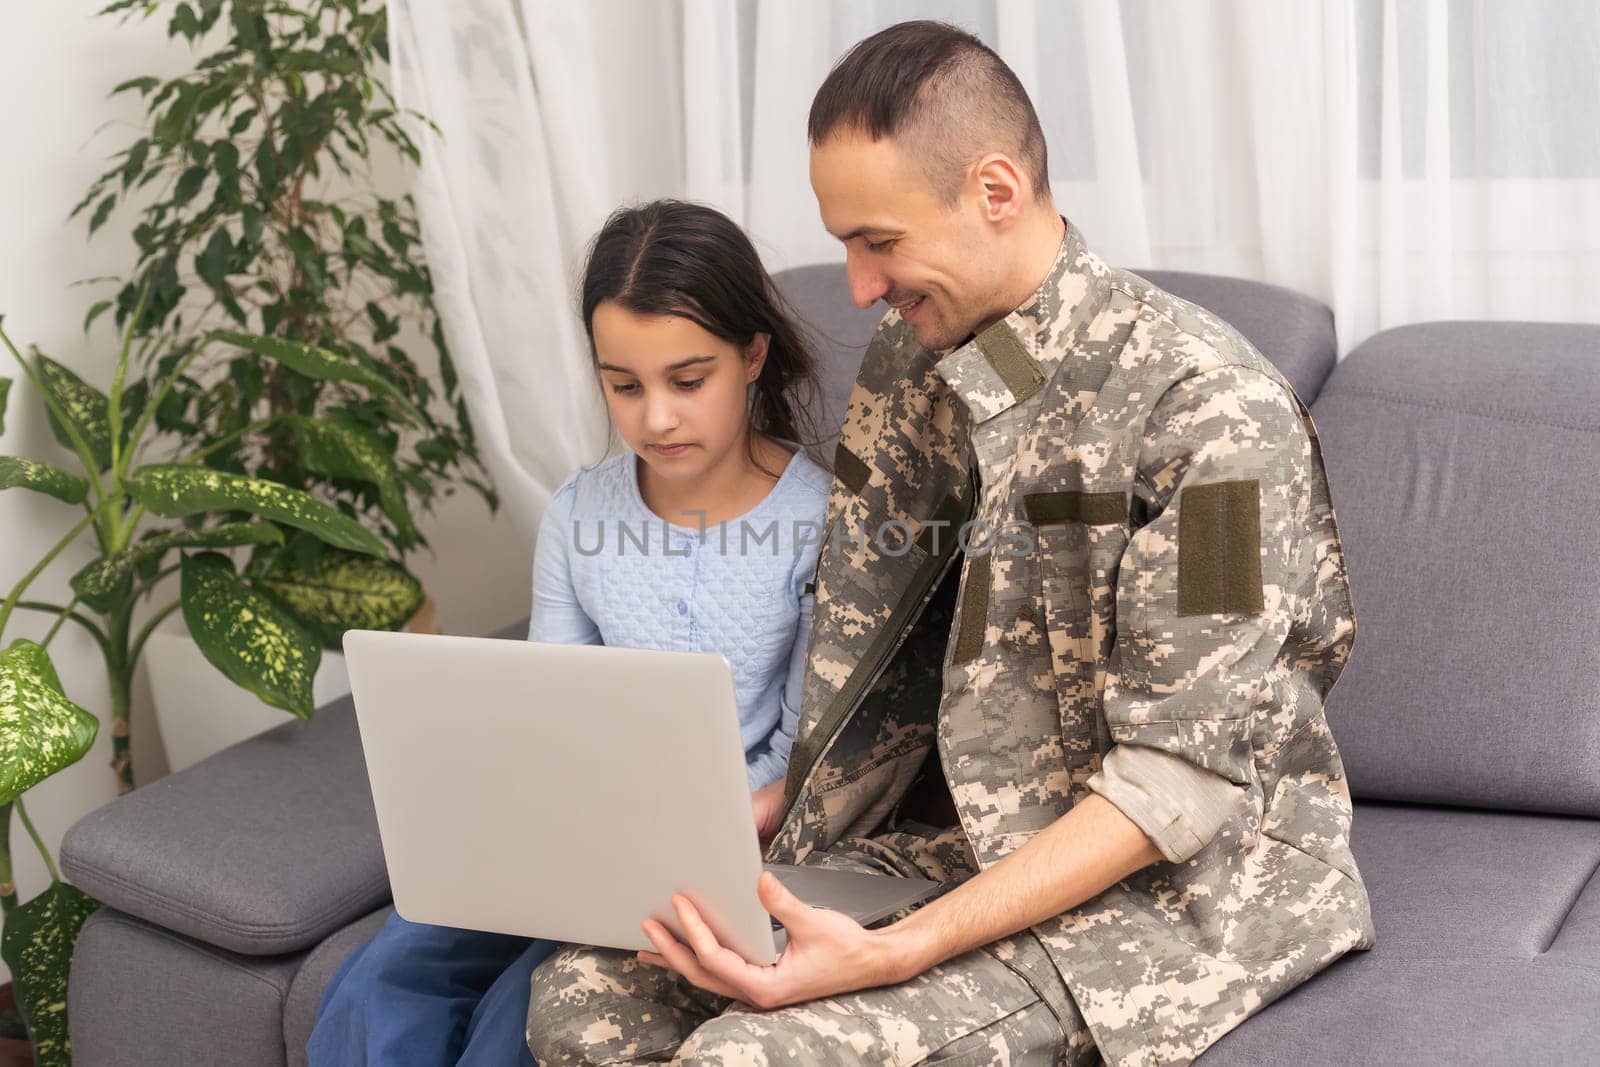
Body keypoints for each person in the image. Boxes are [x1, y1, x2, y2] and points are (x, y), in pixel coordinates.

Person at [528, 21, 1375, 1066]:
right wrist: (753, 842)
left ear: (994, 191)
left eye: (876, 241)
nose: (855, 285)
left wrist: (890, 954)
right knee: (580, 996)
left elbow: (1176, 782)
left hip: (1165, 889)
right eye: (843, 241)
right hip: (956, 843)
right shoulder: (912, 363)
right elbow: (867, 667)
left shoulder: (1210, 413)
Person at [305, 199, 832, 1066]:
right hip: (552, 834)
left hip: (700, 857)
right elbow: (544, 702)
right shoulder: (580, 513)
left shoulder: (819, 521)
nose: (655, 417)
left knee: (515, 1021)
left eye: (687, 380)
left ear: (753, 355)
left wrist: (725, 825)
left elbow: (806, 743)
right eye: (624, 386)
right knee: (381, 980)